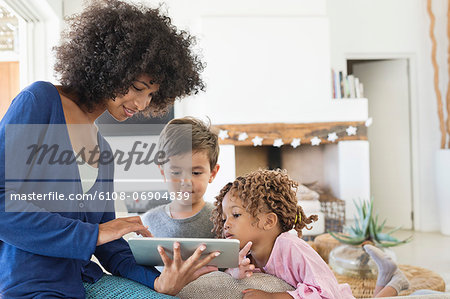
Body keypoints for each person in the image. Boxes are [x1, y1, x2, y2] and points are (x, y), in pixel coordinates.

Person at [0, 0, 219, 298]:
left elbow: (112, 246)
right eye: (138, 88)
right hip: (31, 284)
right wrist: (96, 234)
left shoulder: (103, 151)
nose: (142, 105)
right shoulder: (40, 102)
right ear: (109, 66)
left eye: (152, 95)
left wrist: (158, 282)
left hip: (85, 280)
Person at [211, 169, 411, 299]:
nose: (226, 224)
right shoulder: (243, 252)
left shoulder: (292, 247)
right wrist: (235, 273)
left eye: (236, 215)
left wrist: (273, 297)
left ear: (268, 221)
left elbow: (326, 292)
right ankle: (390, 278)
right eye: (224, 217)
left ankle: (393, 282)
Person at [141, 117, 220, 238]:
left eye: (196, 173)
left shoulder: (222, 220)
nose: (186, 182)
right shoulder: (148, 222)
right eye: (176, 173)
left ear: (212, 174)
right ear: (163, 173)